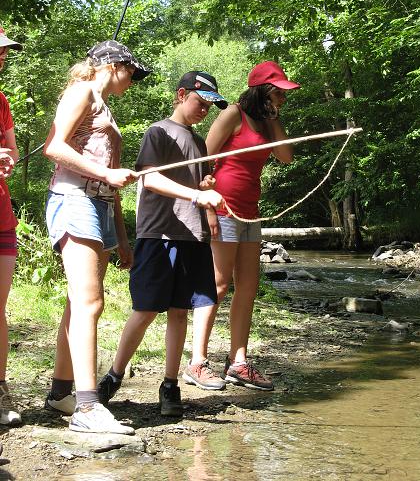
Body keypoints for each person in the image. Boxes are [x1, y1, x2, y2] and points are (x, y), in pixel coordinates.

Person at [97, 71, 227, 416]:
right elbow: (151, 179)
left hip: (191, 236)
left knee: (180, 311)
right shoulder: (160, 132)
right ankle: (114, 374)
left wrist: (204, 186)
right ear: (182, 94)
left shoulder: (198, 143)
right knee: (145, 308)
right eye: (201, 102)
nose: (205, 110)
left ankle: (170, 385)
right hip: (160, 235)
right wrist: (196, 196)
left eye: (211, 106)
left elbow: (196, 184)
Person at [43, 40, 150, 434]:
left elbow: (114, 181)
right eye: (133, 73)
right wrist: (105, 174)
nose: (134, 81)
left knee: (79, 303)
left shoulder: (106, 108)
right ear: (114, 65)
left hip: (101, 208)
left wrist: (122, 238)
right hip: (73, 200)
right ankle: (88, 409)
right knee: (91, 303)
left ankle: (61, 394)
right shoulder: (81, 92)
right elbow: (53, 147)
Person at [185, 61, 299, 391]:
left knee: (247, 287)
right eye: (278, 93)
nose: (282, 99)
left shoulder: (267, 123)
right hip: (221, 208)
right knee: (218, 285)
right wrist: (204, 199)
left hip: (250, 212)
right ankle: (197, 362)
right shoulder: (233, 113)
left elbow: (286, 156)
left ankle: (238, 363)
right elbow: (203, 156)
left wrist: (275, 120)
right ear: (261, 91)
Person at [0, 28, 23, 426]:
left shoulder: (1, 101)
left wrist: (7, 159)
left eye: (4, 53)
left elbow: (13, 153)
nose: (2, 57)